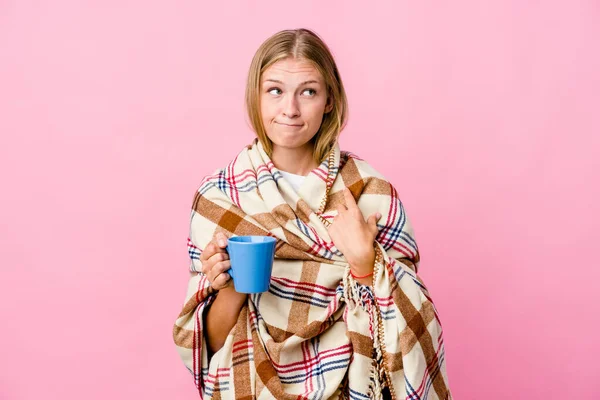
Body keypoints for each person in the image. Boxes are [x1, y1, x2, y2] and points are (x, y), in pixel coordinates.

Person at [173, 28, 452, 400]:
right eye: (275, 90)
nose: (290, 108)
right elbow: (206, 347)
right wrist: (230, 286)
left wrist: (365, 265)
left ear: (329, 101)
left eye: (308, 91)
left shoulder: (369, 192)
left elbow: (412, 325)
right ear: (255, 97)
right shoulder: (221, 197)